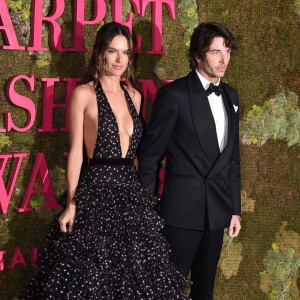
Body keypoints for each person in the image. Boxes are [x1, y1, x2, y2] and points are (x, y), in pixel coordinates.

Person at [20, 22, 187, 300]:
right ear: (100, 53)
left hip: (130, 196)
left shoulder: (134, 95)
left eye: (126, 52)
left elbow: (134, 155)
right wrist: (72, 202)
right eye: (113, 51)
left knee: (138, 278)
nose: (120, 59)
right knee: (91, 279)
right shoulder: (84, 94)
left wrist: (142, 200)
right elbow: (75, 152)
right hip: (96, 194)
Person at [137, 22, 241, 300]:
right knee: (167, 291)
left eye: (227, 51)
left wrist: (234, 208)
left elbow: (232, 159)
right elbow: (149, 156)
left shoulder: (231, 96)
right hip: (181, 214)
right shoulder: (175, 95)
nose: (223, 59)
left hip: (217, 213)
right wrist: (147, 210)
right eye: (216, 52)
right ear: (197, 55)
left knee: (204, 291)